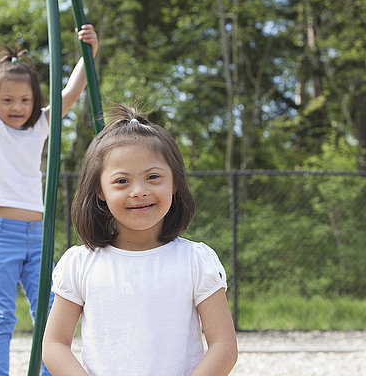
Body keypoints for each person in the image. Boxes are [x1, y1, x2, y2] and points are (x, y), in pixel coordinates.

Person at [0, 0, 98, 376]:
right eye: (8, 99)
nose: (17, 107)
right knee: (0, 312)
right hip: (1, 234)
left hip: (38, 234)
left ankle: (46, 371)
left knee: (48, 309)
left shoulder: (41, 125)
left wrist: (89, 51)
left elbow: (74, 90)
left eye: (25, 100)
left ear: (35, 102)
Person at [42, 104, 238, 376]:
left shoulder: (196, 260)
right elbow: (54, 344)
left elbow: (224, 346)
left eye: (153, 177)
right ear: (100, 190)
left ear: (175, 182)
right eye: (122, 181)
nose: (139, 191)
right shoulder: (80, 263)